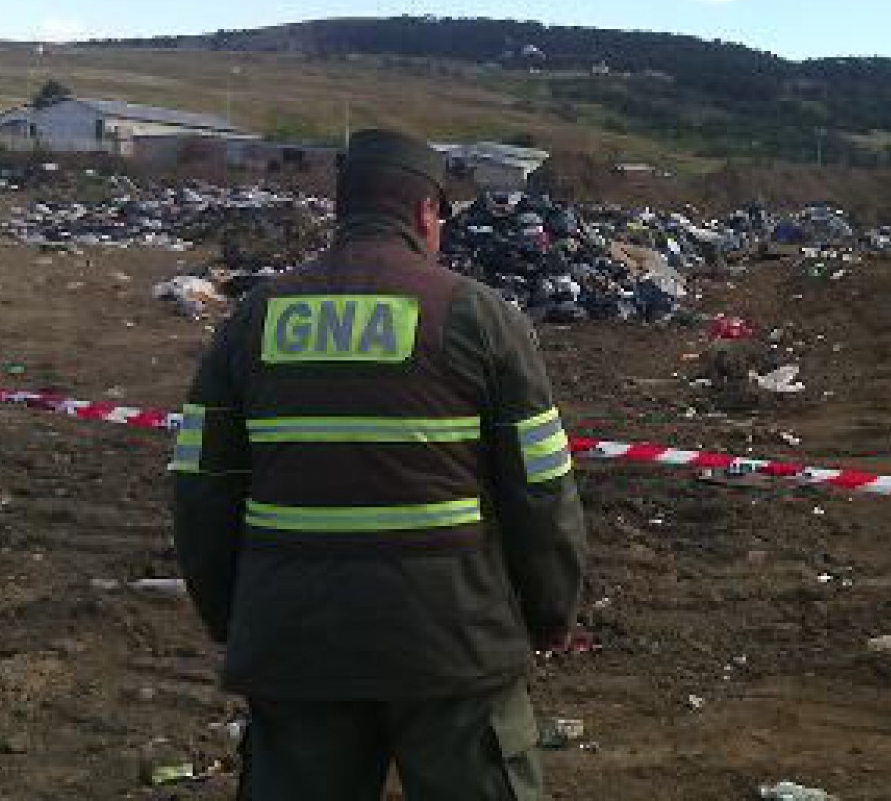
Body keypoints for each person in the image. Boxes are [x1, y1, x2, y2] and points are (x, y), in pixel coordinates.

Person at [169, 129, 587, 801]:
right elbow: (541, 487)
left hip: (293, 642)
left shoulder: (253, 319)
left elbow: (201, 486)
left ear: (344, 209)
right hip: (453, 645)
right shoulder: (479, 317)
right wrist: (549, 613)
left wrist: (232, 613)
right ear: (427, 213)